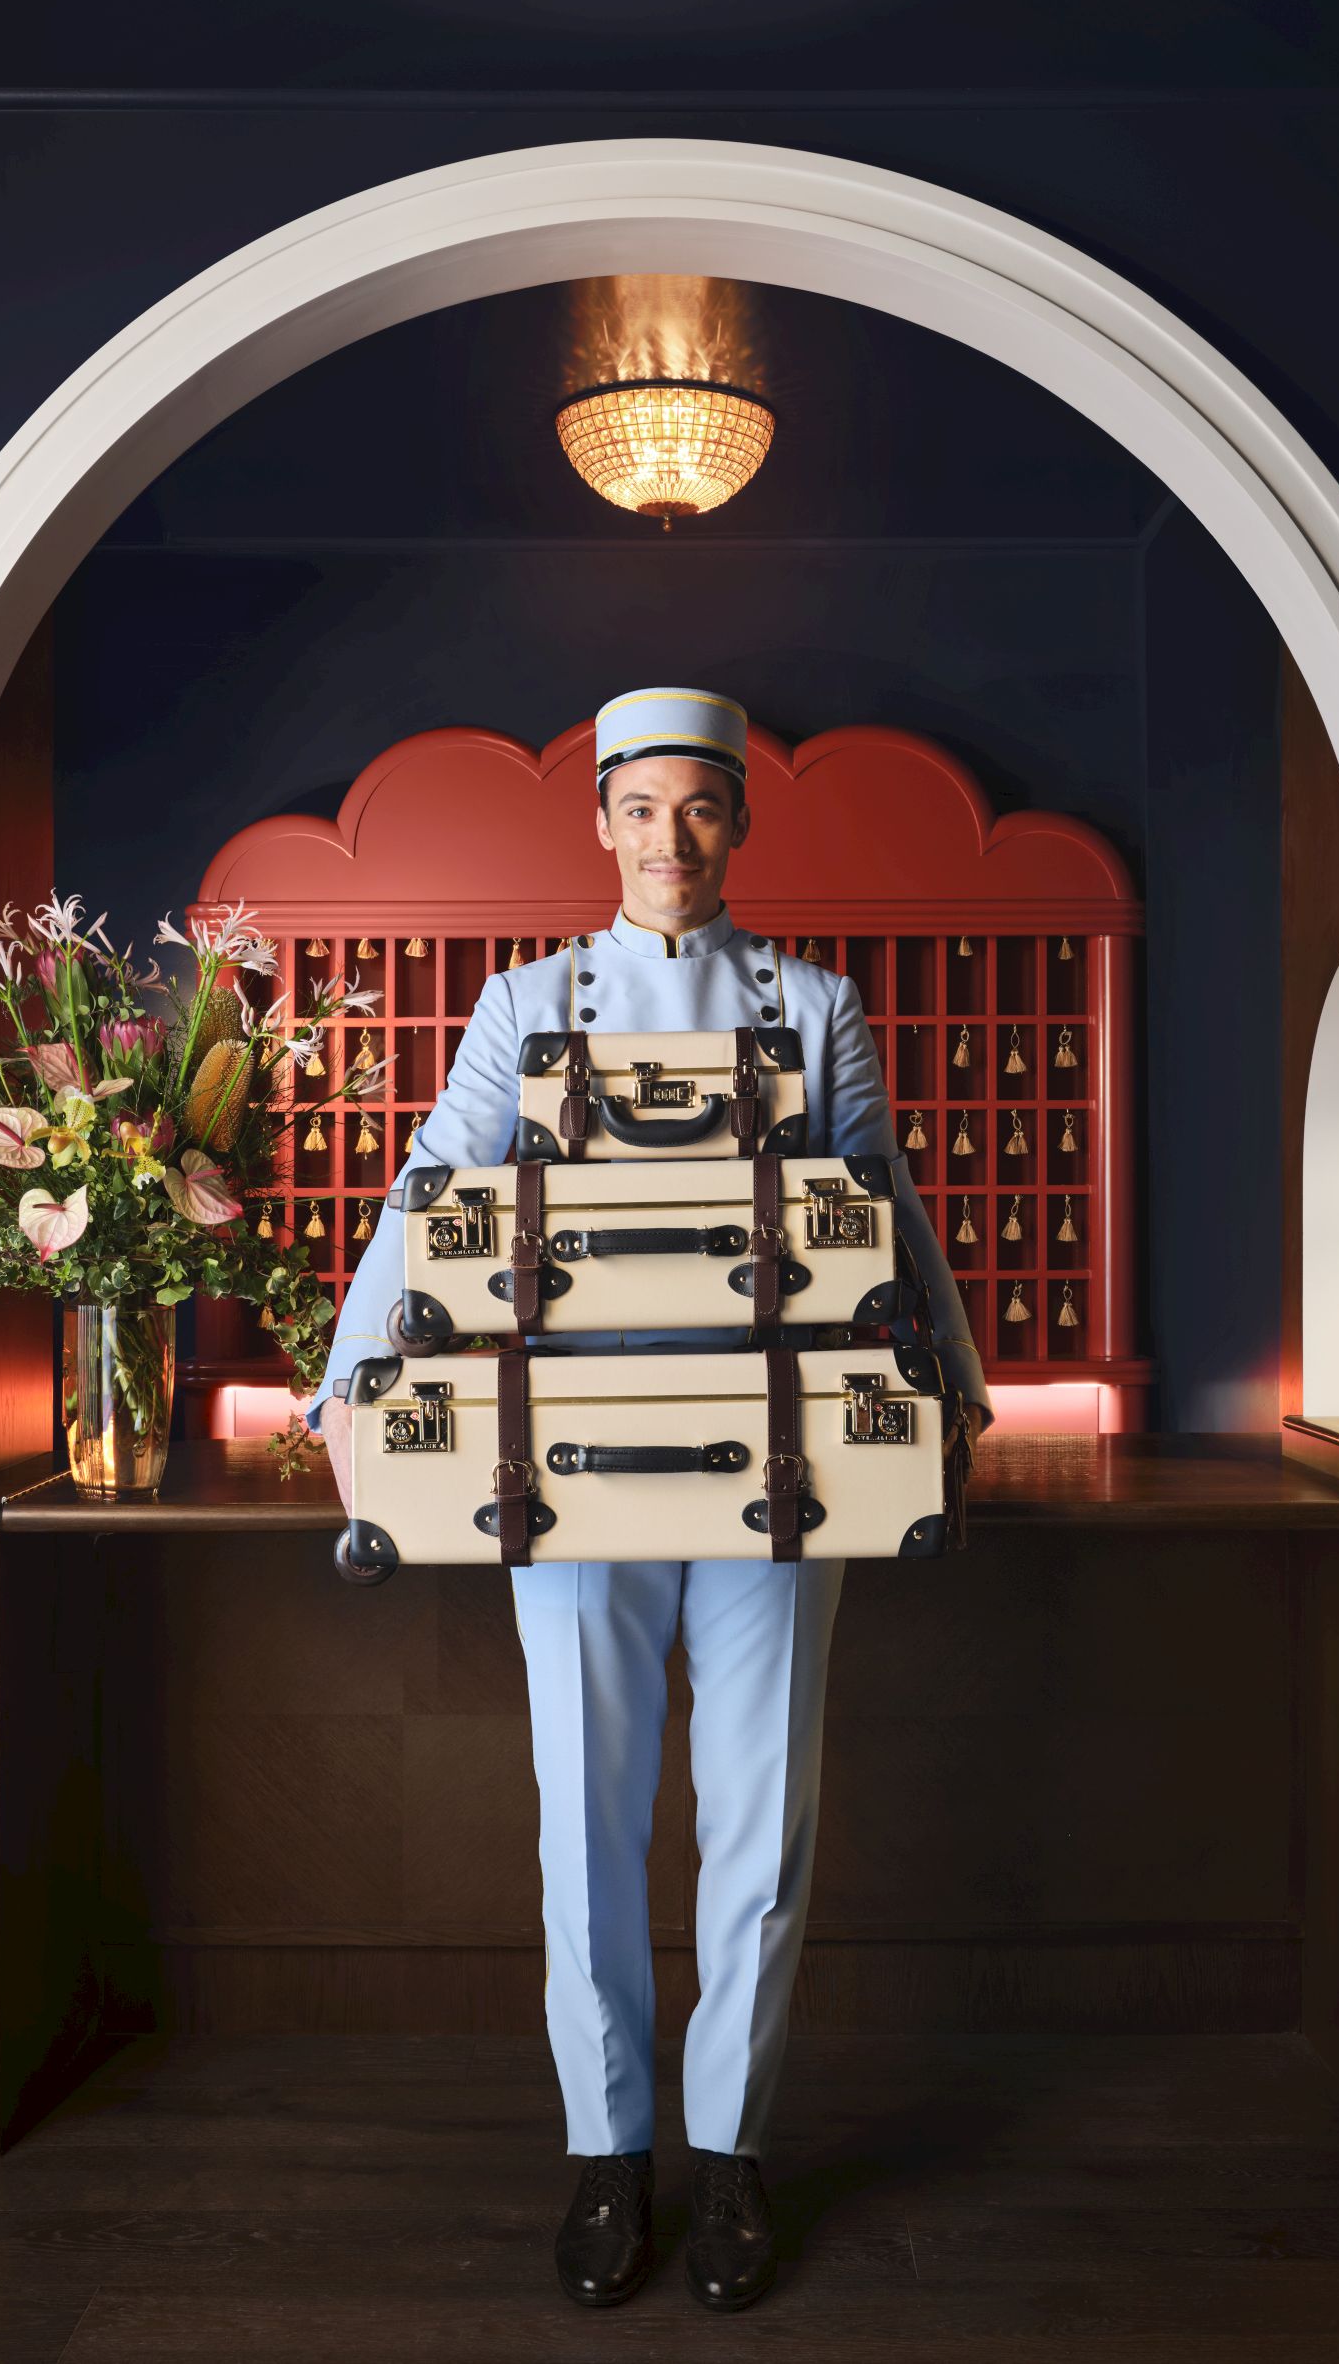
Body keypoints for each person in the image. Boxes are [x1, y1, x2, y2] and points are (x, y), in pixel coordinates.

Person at [305, 688, 990, 2311]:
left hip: (785, 1453)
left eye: (698, 809)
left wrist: (952, 1387)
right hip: (565, 1453)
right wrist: (349, 1377)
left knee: (761, 1822)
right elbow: (432, 1184)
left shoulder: (816, 1004)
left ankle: (733, 2156)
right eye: (638, 810)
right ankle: (610, 2154)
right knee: (588, 1815)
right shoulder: (524, 1000)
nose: (668, 839)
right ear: (597, 822)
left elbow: (879, 1202)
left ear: (738, 824)